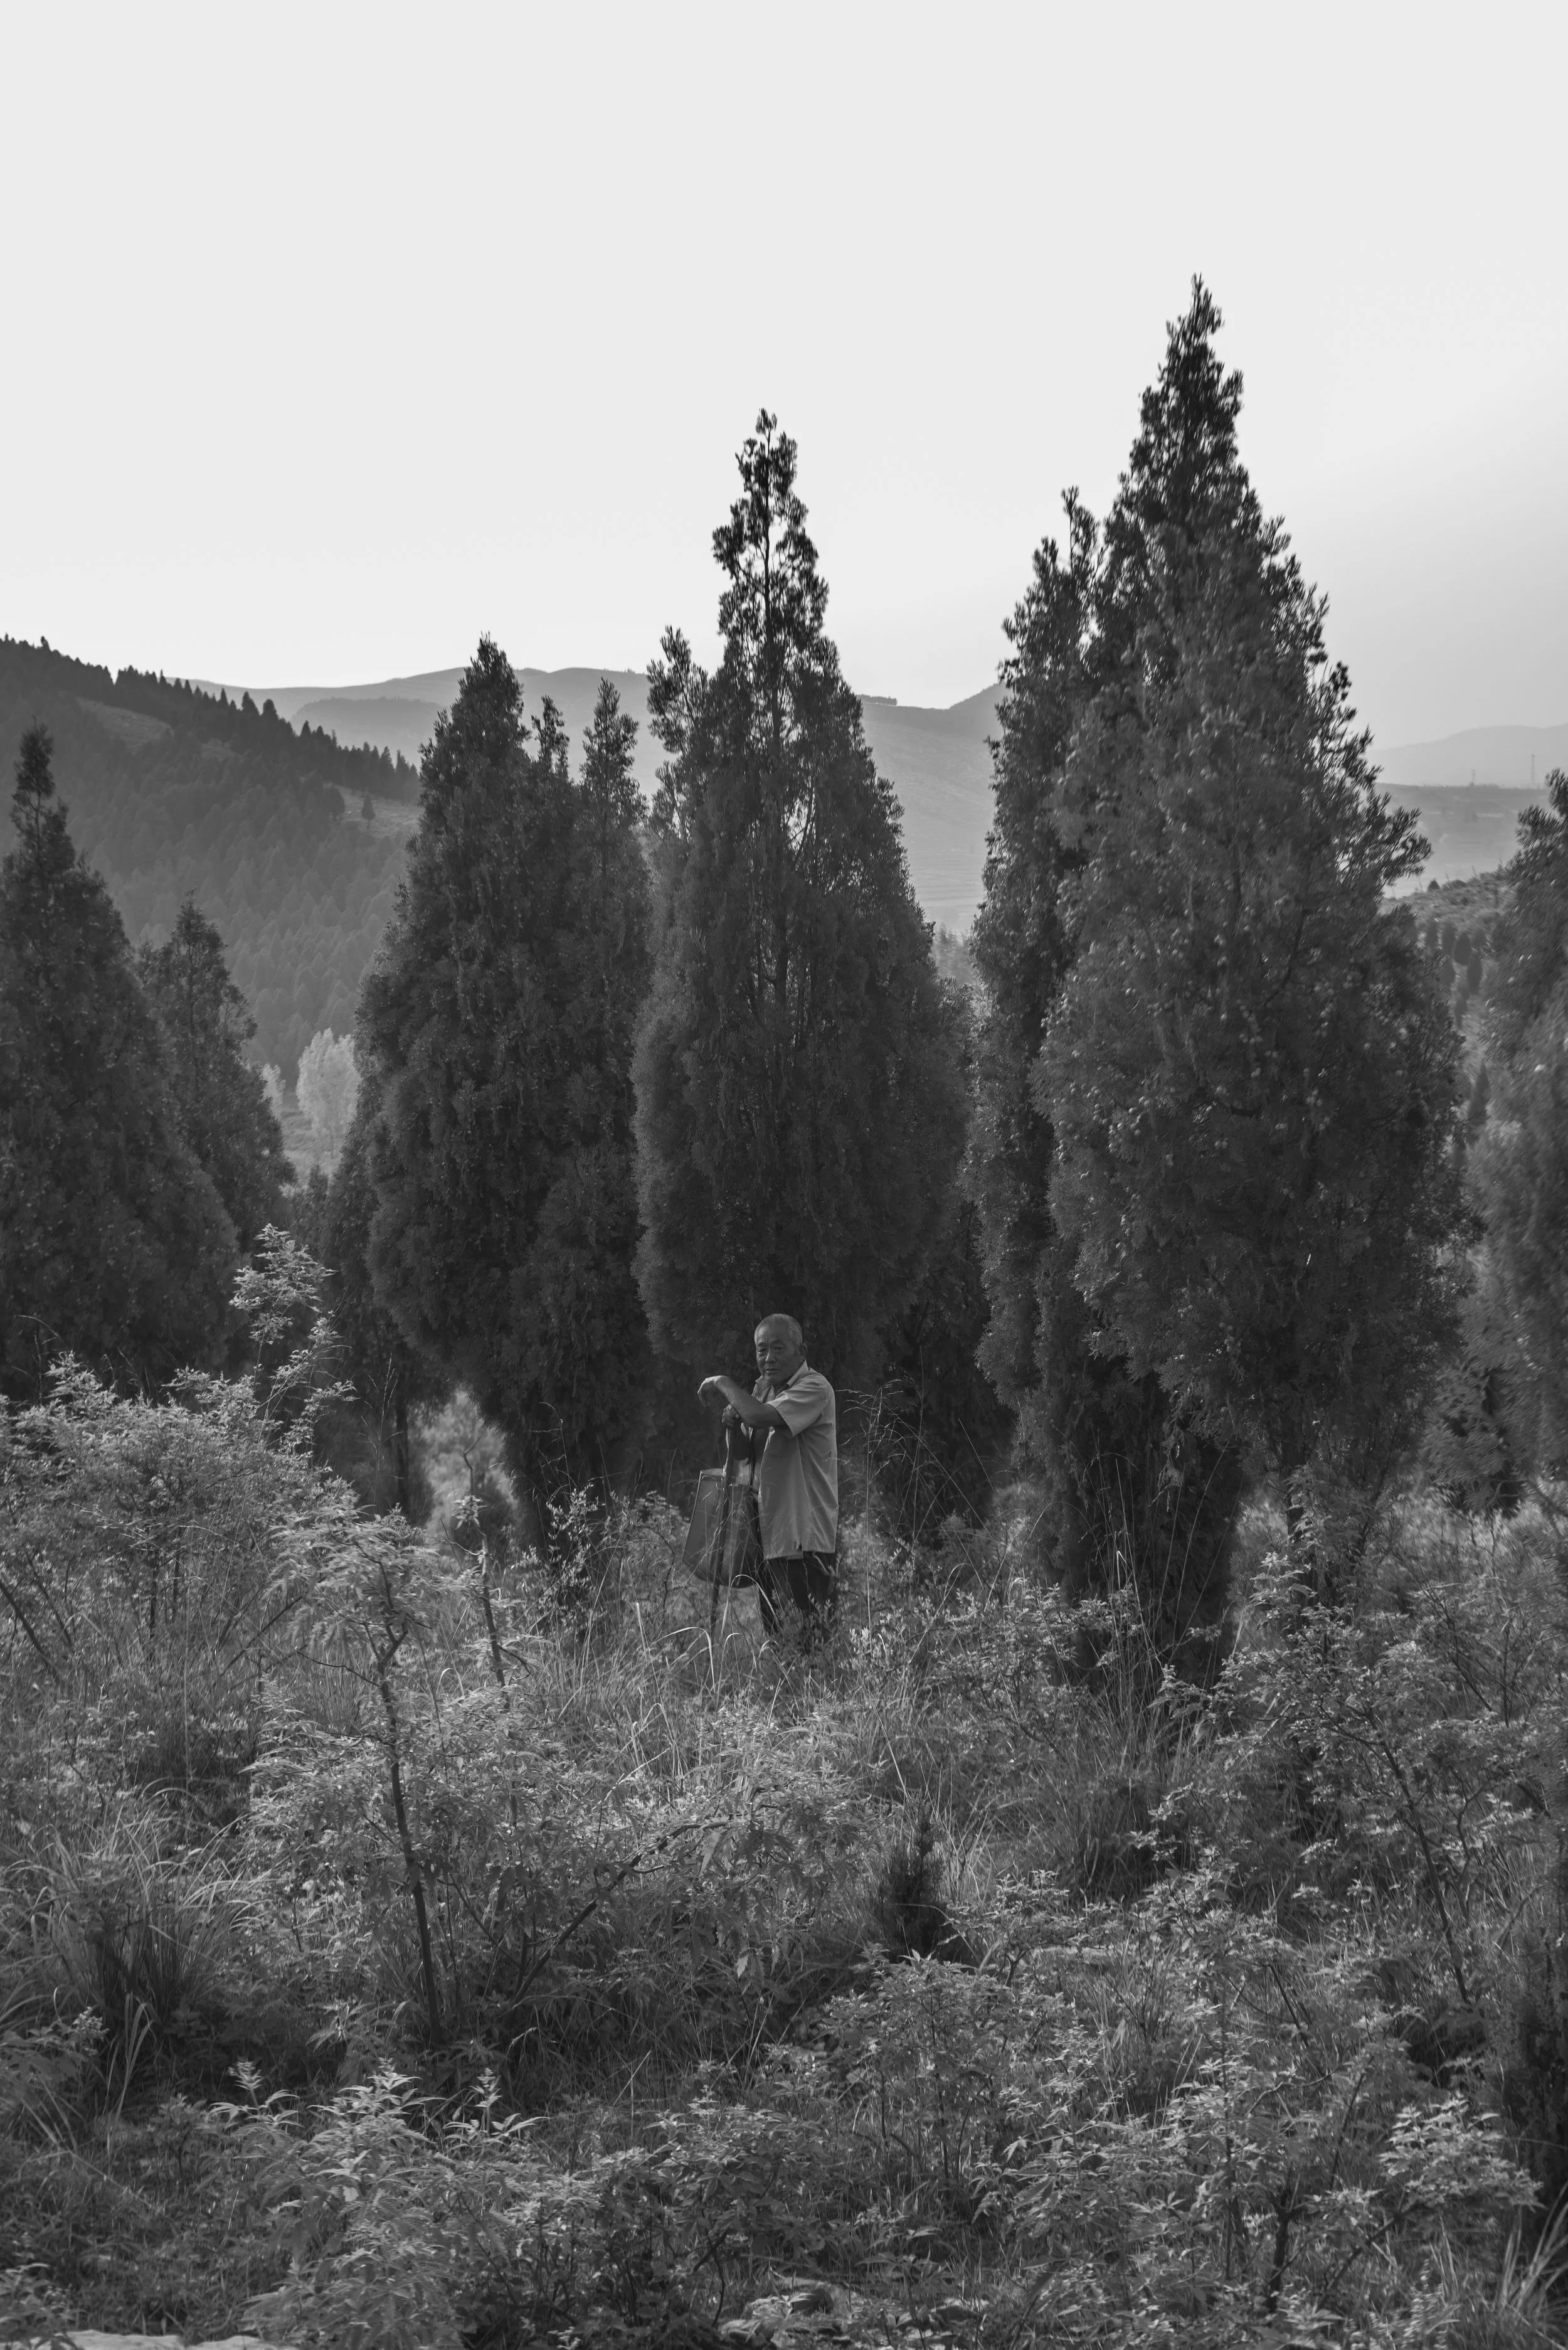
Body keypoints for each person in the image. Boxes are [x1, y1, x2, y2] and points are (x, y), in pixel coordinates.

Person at [698, 1314, 838, 1639]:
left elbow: (761, 1417)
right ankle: (791, 1690)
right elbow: (746, 1454)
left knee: (808, 1638)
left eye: (779, 1348)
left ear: (801, 1351)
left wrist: (721, 1382)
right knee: (778, 1635)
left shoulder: (814, 1387)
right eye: (762, 1350)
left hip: (803, 1536)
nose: (769, 1358)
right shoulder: (762, 1391)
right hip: (769, 1532)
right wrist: (734, 1427)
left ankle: (817, 1690)